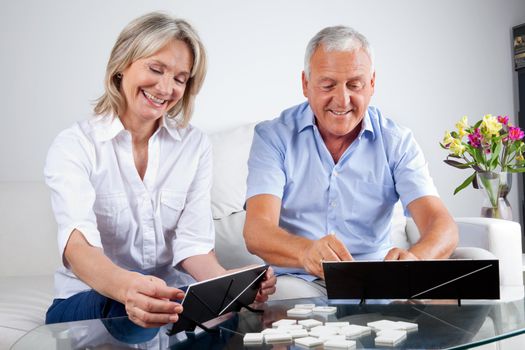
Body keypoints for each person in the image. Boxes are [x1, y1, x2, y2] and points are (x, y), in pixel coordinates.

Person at [44, 12, 275, 328]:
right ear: (122, 65)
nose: (166, 88)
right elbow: (77, 247)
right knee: (126, 314)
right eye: (156, 69)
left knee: (224, 318)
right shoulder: (74, 145)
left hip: (170, 298)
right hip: (94, 297)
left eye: (180, 78)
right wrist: (129, 289)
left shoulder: (193, 145)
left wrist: (226, 285)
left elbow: (193, 246)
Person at [243, 26, 458, 300]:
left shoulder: (396, 140)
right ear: (306, 84)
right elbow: (257, 231)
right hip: (299, 279)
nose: (342, 100)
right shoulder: (274, 136)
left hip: (377, 281)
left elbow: (442, 225)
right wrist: (305, 251)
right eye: (328, 85)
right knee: (284, 301)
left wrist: (416, 259)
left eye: (354, 85)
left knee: (460, 300)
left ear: (372, 84)